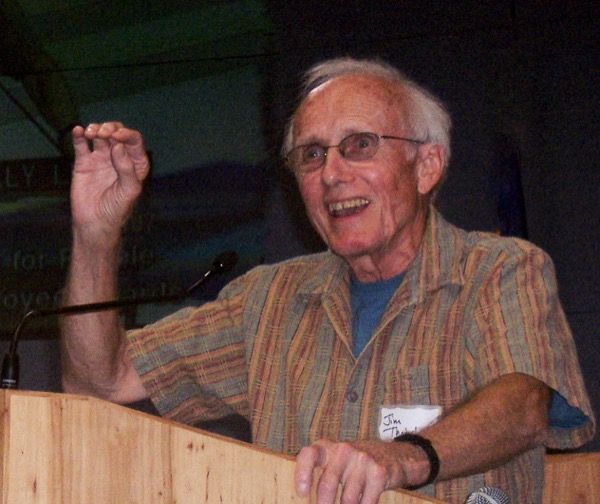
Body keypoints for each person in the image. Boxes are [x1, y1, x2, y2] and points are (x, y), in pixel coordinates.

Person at [60, 57, 595, 504]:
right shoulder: (266, 301)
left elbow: (525, 404)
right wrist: (96, 232)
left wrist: (402, 457)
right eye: (311, 155)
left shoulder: (499, 269)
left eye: (360, 145)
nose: (332, 174)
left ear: (427, 165)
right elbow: (101, 380)